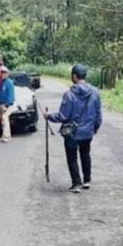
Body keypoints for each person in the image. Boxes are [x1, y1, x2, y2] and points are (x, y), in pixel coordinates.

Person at [44, 64, 102, 193]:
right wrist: (96, 127)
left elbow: (63, 115)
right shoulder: (95, 92)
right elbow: (98, 114)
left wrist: (49, 116)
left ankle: (76, 183)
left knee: (72, 157)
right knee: (85, 154)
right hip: (87, 131)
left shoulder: (69, 94)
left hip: (72, 132)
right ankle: (87, 180)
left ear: (74, 76)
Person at [0, 67, 16, 143]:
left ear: (7, 74)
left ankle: (7, 136)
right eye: (2, 73)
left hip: (8, 105)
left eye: (4, 73)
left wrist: (7, 105)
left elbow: (11, 96)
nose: (3, 74)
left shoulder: (10, 83)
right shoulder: (1, 82)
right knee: (2, 120)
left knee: (5, 118)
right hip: (1, 104)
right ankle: (3, 135)